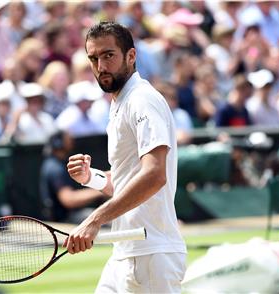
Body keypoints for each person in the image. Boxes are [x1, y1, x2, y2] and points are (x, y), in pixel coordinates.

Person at [64, 22, 187, 293]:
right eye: (94, 58)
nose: (101, 66)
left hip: (152, 254)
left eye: (109, 55)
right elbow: (126, 181)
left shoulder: (141, 99)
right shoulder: (119, 103)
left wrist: (94, 220)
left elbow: (154, 175)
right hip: (125, 251)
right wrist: (92, 178)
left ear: (131, 56)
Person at [40, 130, 109, 223]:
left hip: (69, 216)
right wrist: (100, 190)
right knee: (109, 218)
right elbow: (69, 199)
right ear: (58, 143)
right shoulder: (55, 168)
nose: (72, 141)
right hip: (65, 220)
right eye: (68, 139)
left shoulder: (55, 164)